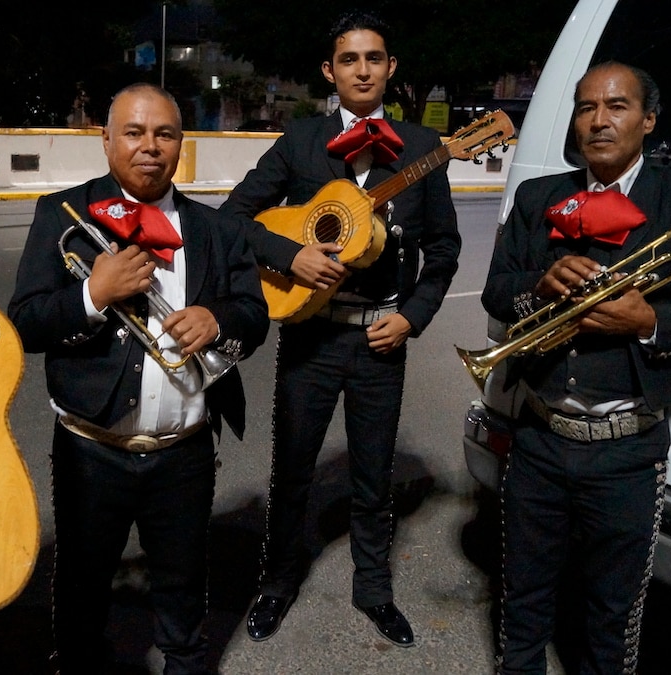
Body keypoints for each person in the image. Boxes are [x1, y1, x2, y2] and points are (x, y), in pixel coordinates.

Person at [480, 61, 671, 674]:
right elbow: (497, 290)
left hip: (627, 451)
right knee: (521, 602)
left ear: (648, 120)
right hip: (539, 438)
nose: (599, 121)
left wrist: (648, 321)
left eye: (617, 106)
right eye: (586, 108)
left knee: (611, 618)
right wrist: (539, 287)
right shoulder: (538, 197)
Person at [7, 82, 269, 674]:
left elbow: (254, 316)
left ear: (180, 144)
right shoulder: (61, 213)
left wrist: (218, 318)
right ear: (106, 140)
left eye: (164, 134)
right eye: (133, 132)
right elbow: (23, 323)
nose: (149, 146)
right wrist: (92, 295)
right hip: (89, 451)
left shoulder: (217, 229)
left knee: (183, 588)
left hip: (185, 451)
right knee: (81, 587)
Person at [219, 10, 461, 648]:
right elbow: (233, 218)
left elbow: (444, 250)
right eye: (349, 59)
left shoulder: (420, 147)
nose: (362, 70)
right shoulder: (301, 141)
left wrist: (412, 317)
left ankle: (374, 590)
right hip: (311, 336)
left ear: (391, 67)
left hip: (381, 339)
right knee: (293, 468)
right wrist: (287, 255)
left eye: (374, 58)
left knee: (374, 473)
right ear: (329, 71)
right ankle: (277, 582)